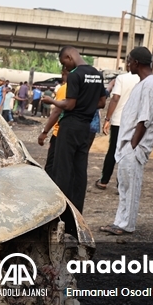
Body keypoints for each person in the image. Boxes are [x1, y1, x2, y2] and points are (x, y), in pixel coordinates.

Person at [99, 47, 153, 236]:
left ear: (136, 62)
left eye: (129, 61)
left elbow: (144, 119)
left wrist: (133, 145)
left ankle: (125, 224)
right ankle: (120, 222)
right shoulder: (145, 83)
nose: (128, 64)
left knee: (130, 187)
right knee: (125, 187)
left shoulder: (150, 84)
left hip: (134, 146)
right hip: (129, 144)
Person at [42, 46, 105, 215]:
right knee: (79, 170)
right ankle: (77, 213)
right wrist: (86, 104)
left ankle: (61, 212)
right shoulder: (97, 75)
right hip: (86, 128)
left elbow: (69, 105)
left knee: (62, 169)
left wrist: (52, 101)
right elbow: (102, 102)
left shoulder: (75, 75)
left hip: (70, 126)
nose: (66, 67)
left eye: (64, 62)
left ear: (69, 56)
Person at [96, 68, 140, 190]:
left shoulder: (121, 78)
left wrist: (107, 119)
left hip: (118, 121)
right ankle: (121, 184)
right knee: (128, 152)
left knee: (113, 151)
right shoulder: (143, 79)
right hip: (134, 122)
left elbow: (115, 98)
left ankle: (104, 181)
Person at [37, 67, 69, 179]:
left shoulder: (65, 88)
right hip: (75, 133)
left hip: (59, 133)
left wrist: (44, 132)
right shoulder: (82, 88)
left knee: (51, 166)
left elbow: (57, 111)